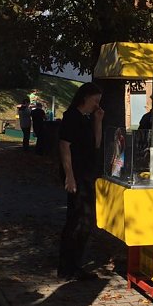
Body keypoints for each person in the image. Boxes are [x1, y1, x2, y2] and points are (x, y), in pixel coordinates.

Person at [57, 82, 104, 280]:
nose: (97, 104)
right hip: (77, 175)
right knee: (78, 220)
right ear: (85, 97)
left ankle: (73, 264)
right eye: (95, 100)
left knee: (84, 220)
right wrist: (69, 176)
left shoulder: (87, 118)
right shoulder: (72, 117)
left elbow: (96, 144)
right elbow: (64, 147)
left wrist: (98, 121)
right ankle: (69, 266)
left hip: (87, 174)